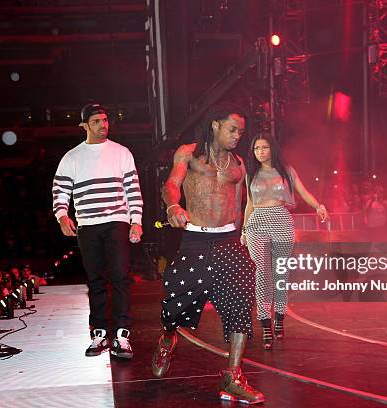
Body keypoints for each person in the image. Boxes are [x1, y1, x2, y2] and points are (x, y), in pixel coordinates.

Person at [150, 103, 264, 404]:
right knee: (173, 305)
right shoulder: (188, 152)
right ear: (215, 125)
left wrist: (245, 236)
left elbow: (241, 205)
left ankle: (233, 376)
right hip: (195, 241)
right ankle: (168, 337)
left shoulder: (238, 164)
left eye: (241, 131)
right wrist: (173, 206)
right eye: (232, 129)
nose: (238, 135)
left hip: (228, 240)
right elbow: (171, 185)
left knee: (241, 303)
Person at [52, 103, 143, 359]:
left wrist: (136, 220)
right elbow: (60, 190)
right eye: (97, 121)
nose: (103, 125)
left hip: (117, 220)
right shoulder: (72, 157)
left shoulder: (121, 152)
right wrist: (61, 215)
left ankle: (122, 336)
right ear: (84, 125)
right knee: (95, 280)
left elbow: (133, 190)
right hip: (88, 224)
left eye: (105, 120)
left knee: (120, 277)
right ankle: (100, 334)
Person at [241, 133, 327, 351]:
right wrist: (243, 229)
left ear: (273, 149)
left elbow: (303, 192)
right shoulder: (251, 173)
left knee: (280, 273)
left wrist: (319, 206)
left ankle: (279, 315)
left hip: (281, 219)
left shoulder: (287, 171)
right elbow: (249, 204)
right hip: (257, 221)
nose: (260, 152)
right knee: (262, 271)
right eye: (256, 148)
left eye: (264, 147)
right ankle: (265, 322)